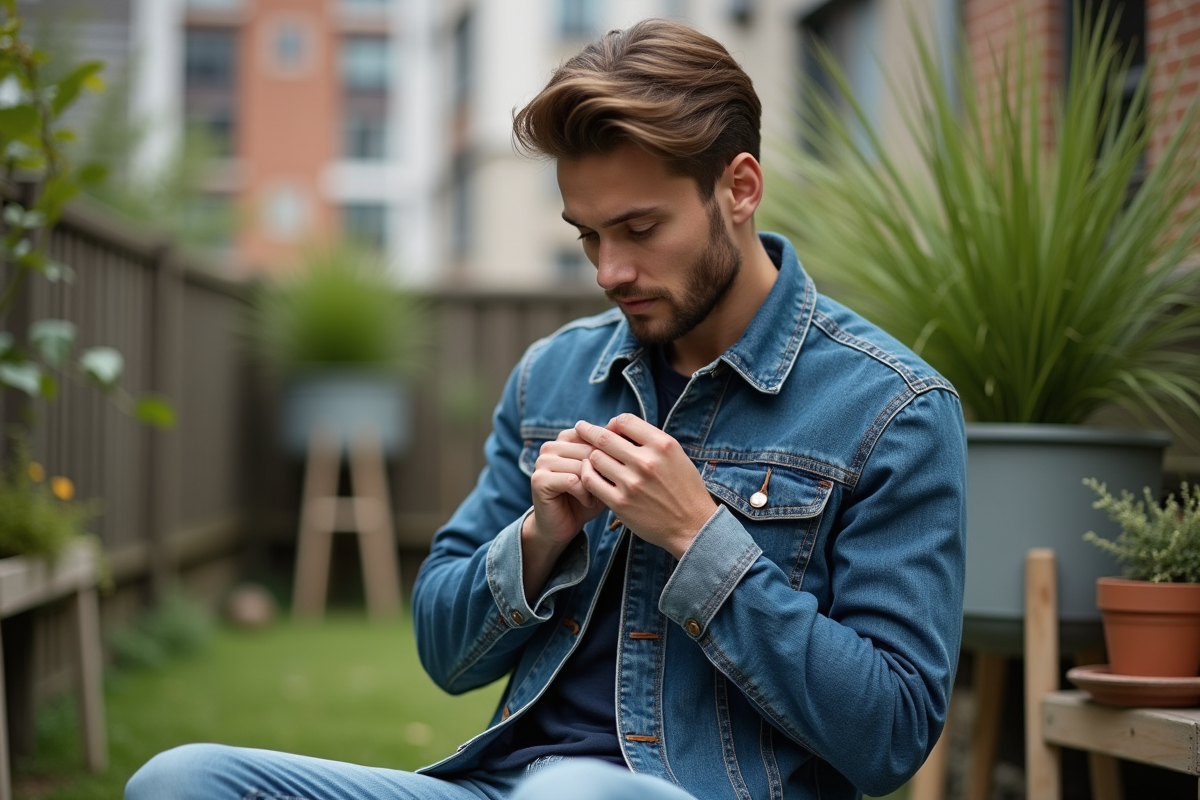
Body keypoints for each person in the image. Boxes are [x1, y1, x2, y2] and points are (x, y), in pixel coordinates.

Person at [125, 17, 966, 800]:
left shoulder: (892, 409)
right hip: (502, 785)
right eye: (589, 236)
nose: (610, 271)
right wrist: (537, 540)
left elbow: (890, 734)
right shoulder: (554, 376)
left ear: (739, 187)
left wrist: (700, 540)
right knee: (180, 780)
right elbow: (444, 653)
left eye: (640, 228)